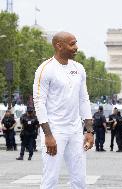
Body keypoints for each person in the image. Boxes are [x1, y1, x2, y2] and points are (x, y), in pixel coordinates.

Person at [33, 31, 94, 188]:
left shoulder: (79, 68)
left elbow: (84, 99)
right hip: (54, 130)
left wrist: (89, 131)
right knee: (50, 179)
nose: (76, 47)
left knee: (80, 180)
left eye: (76, 43)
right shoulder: (45, 69)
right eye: (72, 44)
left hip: (75, 130)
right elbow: (39, 103)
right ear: (59, 46)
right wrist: (48, 135)